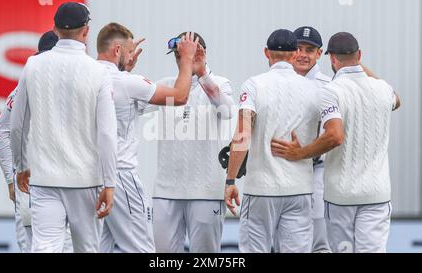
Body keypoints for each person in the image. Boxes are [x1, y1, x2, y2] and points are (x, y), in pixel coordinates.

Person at [271, 32, 401, 253]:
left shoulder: (331, 90)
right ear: (359, 55)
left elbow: (335, 136)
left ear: (330, 57)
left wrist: (299, 153)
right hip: (377, 194)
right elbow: (396, 100)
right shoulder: (383, 89)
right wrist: (359, 66)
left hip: (341, 194)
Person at [10, 2, 117, 253]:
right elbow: (106, 134)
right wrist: (110, 182)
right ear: (86, 32)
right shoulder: (98, 72)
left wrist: (21, 165)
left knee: (44, 247)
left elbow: (18, 125)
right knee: (87, 250)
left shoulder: (33, 65)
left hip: (44, 177)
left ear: (55, 29)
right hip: (86, 180)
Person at [96, 23, 200, 253]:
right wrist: (186, 59)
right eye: (130, 50)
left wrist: (125, 70)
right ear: (116, 50)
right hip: (121, 175)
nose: (133, 55)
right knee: (141, 249)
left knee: (97, 248)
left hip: (91, 177)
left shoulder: (88, 75)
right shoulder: (126, 82)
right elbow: (180, 96)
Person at [224, 29, 320, 253]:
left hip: (261, 189)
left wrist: (230, 181)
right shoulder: (314, 89)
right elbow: (324, 135)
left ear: (266, 53)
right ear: (295, 53)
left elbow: (242, 135)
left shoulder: (254, 85)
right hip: (300, 189)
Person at [150, 32, 235, 253]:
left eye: (185, 55)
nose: (181, 61)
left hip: (206, 192)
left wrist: (203, 73)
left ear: (201, 54)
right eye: (178, 56)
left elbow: (226, 111)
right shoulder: (166, 85)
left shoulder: (220, 83)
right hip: (166, 192)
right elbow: (132, 101)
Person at [0, 30, 72, 253]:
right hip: (62, 186)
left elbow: (1, 132)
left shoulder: (22, 87)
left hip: (30, 188)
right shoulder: (73, 84)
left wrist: (12, 178)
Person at [293, 26, 331, 252]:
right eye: (298, 48)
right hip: (284, 170)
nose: (303, 54)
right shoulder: (277, 83)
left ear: (319, 53)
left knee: (320, 244)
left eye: (309, 49)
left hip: (317, 172)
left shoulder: (328, 86)